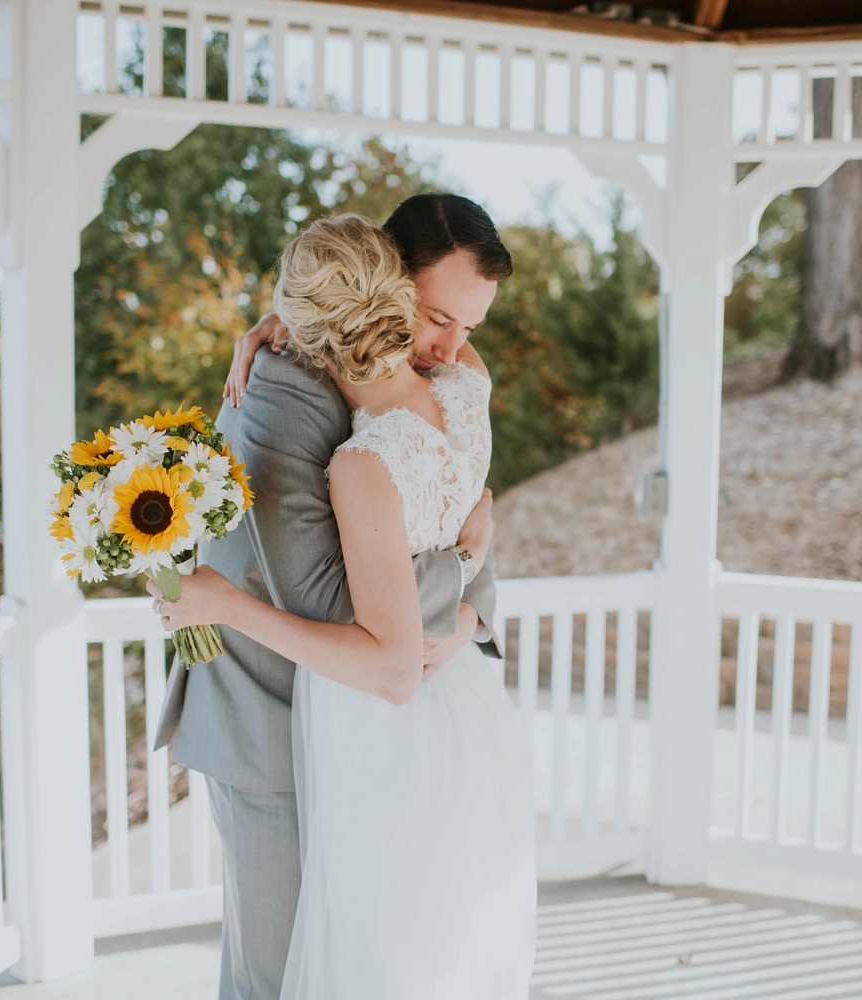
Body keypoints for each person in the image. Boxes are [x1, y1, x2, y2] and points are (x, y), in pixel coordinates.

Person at [151, 195, 532, 999]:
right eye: (436, 318)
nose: (451, 348)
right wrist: (465, 562)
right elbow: (330, 597)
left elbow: (468, 503)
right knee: (276, 972)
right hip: (272, 722)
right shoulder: (284, 389)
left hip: (373, 725)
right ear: (386, 281)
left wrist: (469, 609)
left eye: (471, 328)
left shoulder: (444, 379)